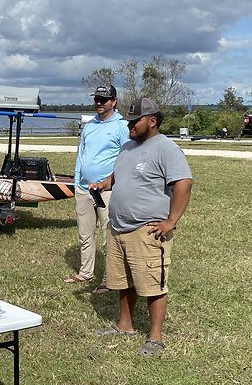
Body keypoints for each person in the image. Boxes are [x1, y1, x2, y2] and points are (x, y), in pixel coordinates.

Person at [88, 98, 193, 357]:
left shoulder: (166, 149)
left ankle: (155, 338)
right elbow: (120, 175)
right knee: (124, 281)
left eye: (135, 122)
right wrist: (105, 183)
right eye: (129, 122)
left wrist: (171, 221)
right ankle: (125, 326)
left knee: (153, 284)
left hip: (147, 229)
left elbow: (184, 183)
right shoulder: (127, 147)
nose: (130, 126)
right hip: (119, 226)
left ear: (152, 121)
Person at [65, 83, 129, 294]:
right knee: (85, 235)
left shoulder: (122, 127)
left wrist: (110, 183)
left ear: (114, 101)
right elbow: (80, 156)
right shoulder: (90, 126)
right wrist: (77, 184)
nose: (99, 103)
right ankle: (85, 272)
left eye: (104, 100)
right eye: (96, 100)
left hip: (108, 191)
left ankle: (109, 279)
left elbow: (126, 159)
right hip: (84, 189)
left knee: (108, 236)